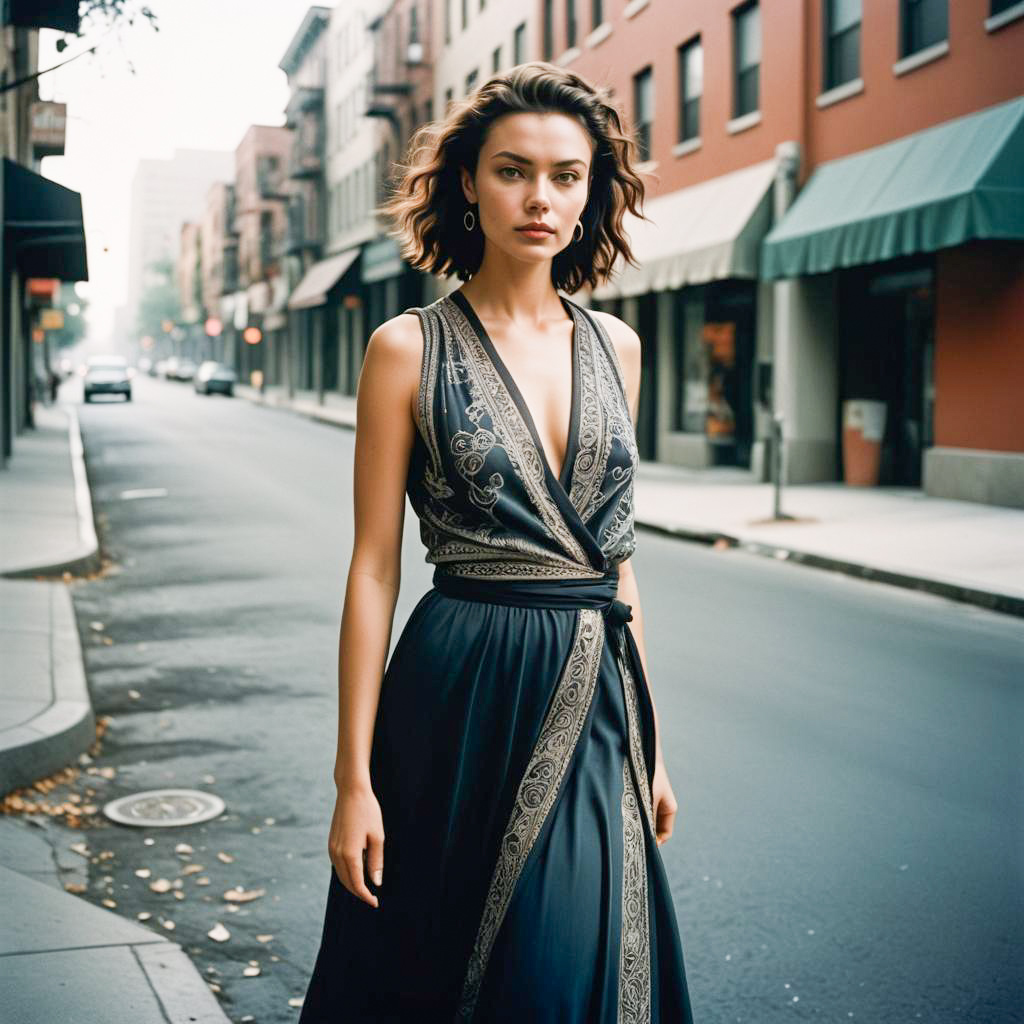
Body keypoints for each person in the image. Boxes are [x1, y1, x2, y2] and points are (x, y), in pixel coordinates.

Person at [298, 62, 696, 1023]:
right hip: (458, 692)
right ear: (469, 181)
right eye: (514, 170)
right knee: (438, 963)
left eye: (568, 175)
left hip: (597, 695)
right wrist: (353, 779)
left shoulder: (619, 348)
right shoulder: (407, 347)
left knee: (573, 964)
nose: (542, 198)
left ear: (592, 190)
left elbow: (616, 558)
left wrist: (653, 744)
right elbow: (372, 567)